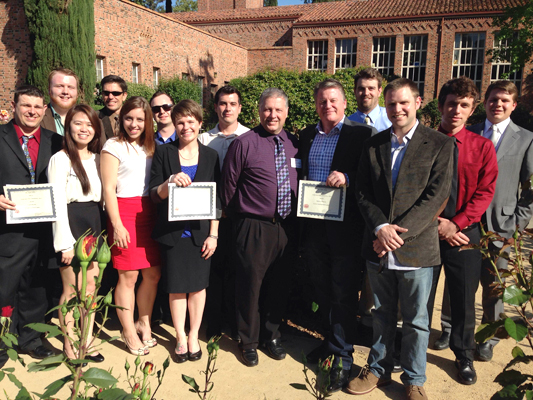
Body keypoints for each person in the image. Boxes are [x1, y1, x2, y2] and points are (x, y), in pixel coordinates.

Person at [349, 78, 454, 400]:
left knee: (417, 320)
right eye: (392, 103)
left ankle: (414, 378)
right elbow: (362, 192)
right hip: (378, 245)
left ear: (419, 102)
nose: (397, 109)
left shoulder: (439, 144)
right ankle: (378, 370)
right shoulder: (373, 144)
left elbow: (436, 197)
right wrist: (381, 228)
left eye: (404, 102)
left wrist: (395, 234)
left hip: (417, 249)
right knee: (380, 314)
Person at [298, 78, 376, 392]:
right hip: (314, 224)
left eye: (333, 101)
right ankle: (331, 341)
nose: (327, 106)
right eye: (322, 101)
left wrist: (347, 176)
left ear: (344, 104)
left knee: (344, 290)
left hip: (345, 227)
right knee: (322, 287)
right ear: (316, 105)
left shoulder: (361, 135)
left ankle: (342, 357)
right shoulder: (306, 135)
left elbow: (372, 178)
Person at [426, 77, 498, 385]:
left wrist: (456, 224)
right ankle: (410, 350)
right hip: (425, 232)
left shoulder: (482, 147)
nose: (456, 110)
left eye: (464, 105)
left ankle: (464, 355)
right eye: (452, 103)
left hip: (464, 234)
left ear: (472, 110)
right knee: (420, 298)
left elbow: (485, 192)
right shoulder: (423, 143)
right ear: (441, 105)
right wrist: (436, 223)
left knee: (464, 298)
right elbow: (411, 189)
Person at [221, 88, 298, 367]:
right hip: (253, 226)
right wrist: (242, 218)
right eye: (267, 109)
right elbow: (228, 189)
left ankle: (271, 335)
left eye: (278, 110)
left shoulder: (294, 142)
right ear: (258, 111)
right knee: (249, 286)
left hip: (286, 227)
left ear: (286, 112)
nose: (272, 115)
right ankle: (248, 340)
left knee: (279, 284)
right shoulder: (244, 143)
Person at [150, 99, 220, 363]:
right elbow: (154, 195)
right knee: (177, 288)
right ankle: (179, 336)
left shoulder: (211, 156)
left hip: (202, 235)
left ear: (200, 124)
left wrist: (214, 234)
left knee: (199, 288)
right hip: (174, 234)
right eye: (180, 121)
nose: (185, 126)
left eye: (191, 121)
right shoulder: (163, 153)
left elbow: (217, 200)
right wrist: (169, 182)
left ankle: (194, 335)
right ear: (174, 124)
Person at [468, 81, 533, 362]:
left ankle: (490, 334)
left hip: (503, 225)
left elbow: (529, 190)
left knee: (496, 283)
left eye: (505, 100)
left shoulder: (527, 139)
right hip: (469, 222)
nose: (498, 104)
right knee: (462, 279)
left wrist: (517, 225)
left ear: (514, 105)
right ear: (485, 102)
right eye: (493, 99)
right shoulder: (469, 133)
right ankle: (450, 327)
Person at [0, 85, 62, 367]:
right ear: (14, 105)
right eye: (26, 105)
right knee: (4, 289)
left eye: (38, 107)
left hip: (44, 230)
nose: (32, 111)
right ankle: (2, 343)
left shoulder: (56, 141)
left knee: (37, 288)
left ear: (45, 110)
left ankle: (31, 340)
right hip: (9, 231)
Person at [101, 96, 161, 356]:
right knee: (129, 276)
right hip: (124, 212)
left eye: (140, 119)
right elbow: (108, 189)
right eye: (129, 118)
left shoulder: (152, 146)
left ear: (148, 121)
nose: (134, 124)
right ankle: (127, 330)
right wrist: (117, 224)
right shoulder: (113, 146)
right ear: (121, 119)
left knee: (153, 274)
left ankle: (143, 323)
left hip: (150, 211)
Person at [47, 104, 106, 363]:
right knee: (71, 290)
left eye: (89, 124)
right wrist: (64, 243)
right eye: (78, 123)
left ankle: (87, 341)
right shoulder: (60, 159)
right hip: (71, 225)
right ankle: (70, 344)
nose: (84, 129)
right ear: (68, 126)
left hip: (94, 224)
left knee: (90, 288)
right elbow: (57, 202)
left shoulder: (98, 159)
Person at [199, 85, 249, 340]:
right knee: (215, 272)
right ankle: (214, 323)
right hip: (213, 217)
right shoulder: (204, 140)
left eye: (232, 104)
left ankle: (235, 323)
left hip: (242, 217)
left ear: (239, 108)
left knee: (239, 271)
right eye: (222, 103)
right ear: (215, 107)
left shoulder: (251, 138)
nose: (227, 108)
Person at [348, 68, 392, 132]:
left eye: (371, 88)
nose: (366, 93)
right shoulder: (346, 125)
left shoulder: (391, 120)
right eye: (361, 89)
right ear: (355, 91)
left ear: (379, 91)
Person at [41, 68, 78, 136]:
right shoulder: (38, 118)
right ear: (49, 90)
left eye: (70, 87)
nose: (65, 92)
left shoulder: (91, 120)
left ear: (77, 92)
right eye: (60, 86)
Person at [99, 75, 128, 139]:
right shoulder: (94, 118)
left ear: (124, 96)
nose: (110, 97)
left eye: (115, 93)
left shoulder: (133, 118)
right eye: (106, 93)